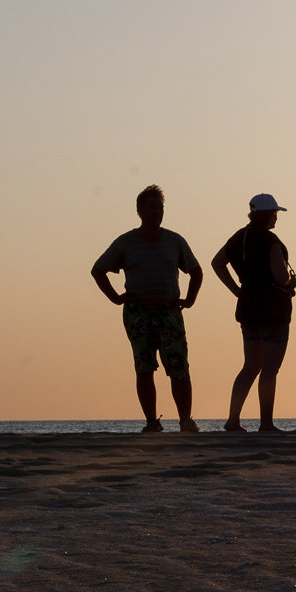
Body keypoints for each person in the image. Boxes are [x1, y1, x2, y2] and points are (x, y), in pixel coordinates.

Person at [91, 184, 203, 433]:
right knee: (144, 367)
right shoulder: (126, 242)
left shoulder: (174, 240)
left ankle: (185, 420)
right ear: (140, 211)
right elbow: (98, 270)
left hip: (169, 311)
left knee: (179, 367)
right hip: (138, 313)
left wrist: (189, 299)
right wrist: (116, 298)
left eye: (160, 208)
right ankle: (152, 422)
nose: (157, 212)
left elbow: (195, 271)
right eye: (152, 208)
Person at [211, 193, 296, 433]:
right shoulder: (270, 241)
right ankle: (266, 423)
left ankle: (233, 419)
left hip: (248, 306)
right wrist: (291, 282)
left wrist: (236, 290)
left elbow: (217, 263)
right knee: (270, 369)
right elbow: (281, 276)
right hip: (273, 308)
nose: (276, 218)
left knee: (250, 365)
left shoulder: (238, 238)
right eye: (274, 214)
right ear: (269, 214)